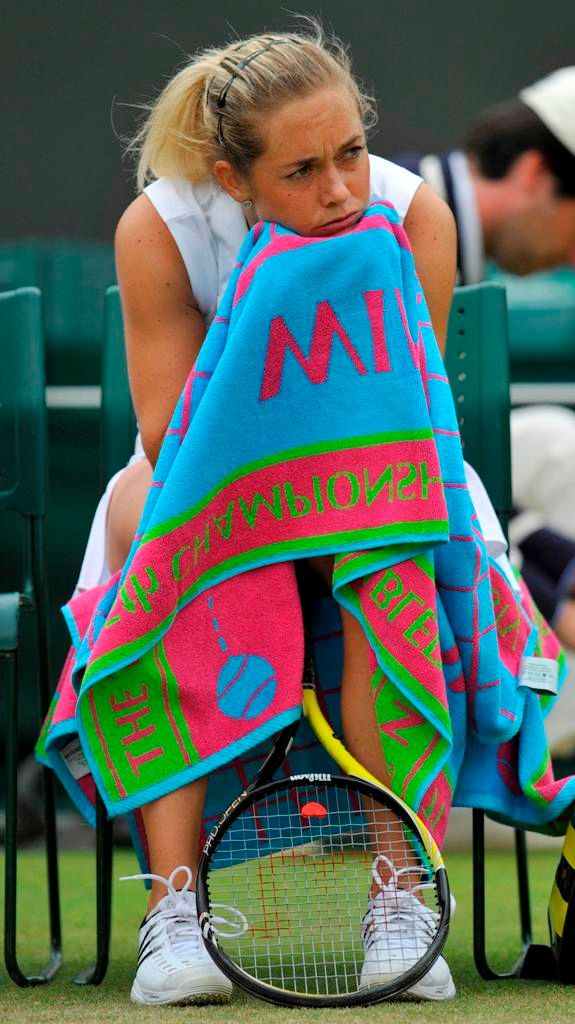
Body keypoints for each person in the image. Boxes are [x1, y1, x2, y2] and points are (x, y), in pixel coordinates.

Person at [83, 26, 457, 1006]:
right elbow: (171, 437)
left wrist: (332, 519)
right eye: (302, 170)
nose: (339, 190)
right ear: (232, 178)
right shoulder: (158, 225)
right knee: (139, 518)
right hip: (208, 481)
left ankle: (398, 894)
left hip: (378, 477)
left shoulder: (408, 216)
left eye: (350, 154)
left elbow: (402, 411)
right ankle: (174, 913)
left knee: (383, 551)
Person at [396, 67, 575, 651]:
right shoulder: (402, 225)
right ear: (533, 172)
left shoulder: (427, 218)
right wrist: (550, 592)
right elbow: (403, 459)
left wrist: (545, 554)